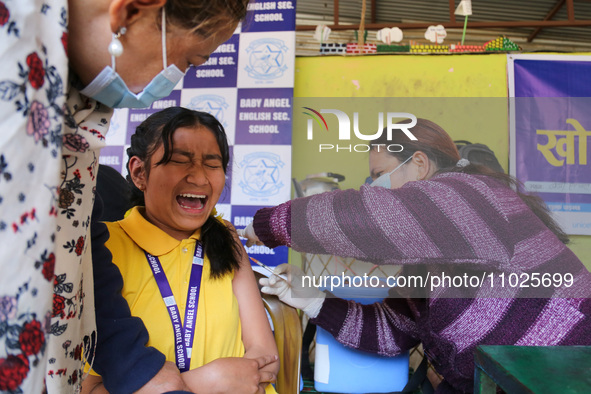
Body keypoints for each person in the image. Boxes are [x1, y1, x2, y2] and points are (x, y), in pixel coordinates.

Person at [0, 1, 251, 392]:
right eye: (188, 60)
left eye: (213, 163)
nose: (198, 177)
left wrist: (149, 374)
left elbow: (76, 243)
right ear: (129, 12)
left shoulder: (76, 116)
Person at [239, 119, 591, 393]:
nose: (371, 187)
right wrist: (314, 301)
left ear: (419, 164)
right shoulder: (427, 261)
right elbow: (394, 333)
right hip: (494, 380)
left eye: (379, 175)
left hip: (561, 376)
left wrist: (268, 225)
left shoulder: (472, 197)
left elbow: (366, 217)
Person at [82, 107, 279, 394]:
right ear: (140, 173)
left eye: (212, 164)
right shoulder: (102, 249)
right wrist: (204, 382)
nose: (199, 179)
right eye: (179, 161)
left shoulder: (226, 237)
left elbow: (266, 357)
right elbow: (87, 389)